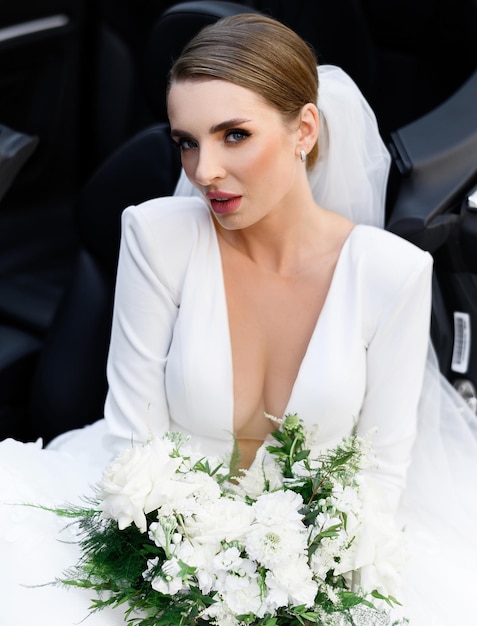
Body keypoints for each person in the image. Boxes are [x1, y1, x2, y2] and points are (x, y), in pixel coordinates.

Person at [0, 12, 476, 626]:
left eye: (234, 135)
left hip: (313, 569)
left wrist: (294, 585)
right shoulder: (155, 235)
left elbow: (378, 476)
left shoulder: (393, 274)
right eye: (187, 142)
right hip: (151, 536)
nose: (203, 172)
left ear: (304, 129)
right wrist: (184, 569)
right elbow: (130, 436)